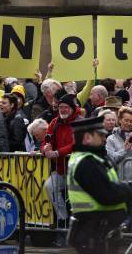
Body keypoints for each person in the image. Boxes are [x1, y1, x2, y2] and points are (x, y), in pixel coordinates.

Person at [66, 116, 132, 254]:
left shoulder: (91, 159)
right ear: (87, 137)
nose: (104, 139)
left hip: (97, 232)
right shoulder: (87, 162)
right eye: (100, 135)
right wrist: (130, 189)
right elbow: (107, 195)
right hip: (94, 232)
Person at [41, 93, 81, 226]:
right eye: (60, 107)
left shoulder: (80, 122)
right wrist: (45, 149)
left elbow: (77, 144)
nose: (63, 110)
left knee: (78, 200)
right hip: (61, 169)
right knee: (50, 186)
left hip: (78, 170)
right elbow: (47, 139)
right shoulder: (55, 122)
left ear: (72, 108)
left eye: (65, 107)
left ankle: (79, 227)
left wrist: (58, 153)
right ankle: (62, 219)